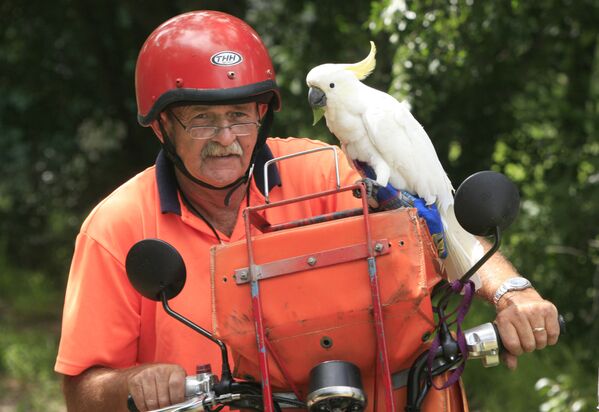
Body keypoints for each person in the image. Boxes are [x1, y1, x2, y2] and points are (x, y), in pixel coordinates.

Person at [55, 10, 560, 412]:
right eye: (202, 121)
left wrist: (512, 293)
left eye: (239, 116)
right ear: (162, 126)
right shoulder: (116, 227)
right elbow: (81, 390)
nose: (227, 139)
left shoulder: (328, 173)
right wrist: (136, 382)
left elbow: (436, 224)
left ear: (262, 114)